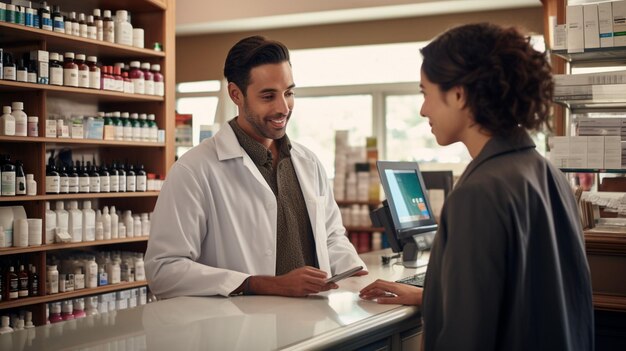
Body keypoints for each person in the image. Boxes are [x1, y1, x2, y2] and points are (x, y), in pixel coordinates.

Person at [359, 23, 594, 350]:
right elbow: (528, 298)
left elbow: (466, 335)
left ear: (458, 94)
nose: (423, 109)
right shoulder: (545, 171)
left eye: (425, 93)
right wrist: (433, 297)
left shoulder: (478, 193)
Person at [145, 36, 367, 299]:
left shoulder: (308, 162)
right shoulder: (194, 170)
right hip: (240, 330)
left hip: (315, 323)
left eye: (289, 93)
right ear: (236, 94)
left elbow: (331, 237)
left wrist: (358, 278)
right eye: (268, 96)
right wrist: (260, 283)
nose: (283, 107)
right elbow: (164, 271)